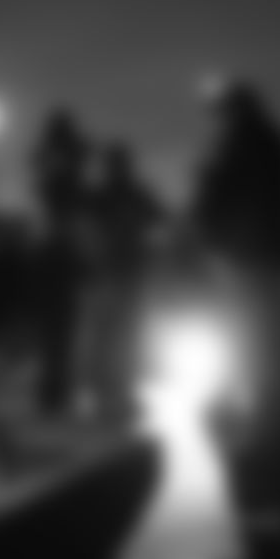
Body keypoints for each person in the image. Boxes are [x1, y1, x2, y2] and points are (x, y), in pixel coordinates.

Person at [191, 77, 280, 541]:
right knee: (268, 355)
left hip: (248, 262)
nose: (217, 121)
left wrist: (216, 241)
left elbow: (216, 202)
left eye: (221, 113)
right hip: (264, 262)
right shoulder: (271, 143)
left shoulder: (240, 147)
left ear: (232, 111)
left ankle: (270, 471)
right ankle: (274, 453)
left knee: (261, 357)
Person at [75, 142, 161, 422]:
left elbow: (156, 218)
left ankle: (107, 392)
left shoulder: (103, 196)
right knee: (120, 335)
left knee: (110, 335)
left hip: (115, 272)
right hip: (123, 272)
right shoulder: (129, 195)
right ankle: (114, 392)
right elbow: (158, 218)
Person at [31, 108, 96, 415]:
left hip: (57, 250)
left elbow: (43, 177)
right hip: (62, 251)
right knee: (63, 327)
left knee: (57, 327)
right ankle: (55, 389)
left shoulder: (53, 166)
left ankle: (53, 389)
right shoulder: (65, 175)